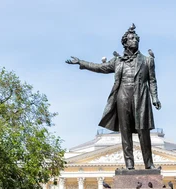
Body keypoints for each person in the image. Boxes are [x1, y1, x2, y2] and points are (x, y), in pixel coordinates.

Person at [65, 24, 161, 170]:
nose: (134, 40)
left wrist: (155, 98)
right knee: (125, 132)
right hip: (122, 97)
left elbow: (152, 80)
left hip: (141, 98)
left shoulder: (148, 61)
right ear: (125, 42)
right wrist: (81, 62)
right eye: (131, 38)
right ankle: (129, 165)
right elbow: (100, 68)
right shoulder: (117, 61)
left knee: (144, 131)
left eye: (136, 38)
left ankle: (149, 164)